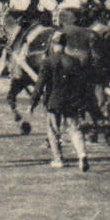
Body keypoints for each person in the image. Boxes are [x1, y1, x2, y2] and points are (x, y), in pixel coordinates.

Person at [29, 34, 98, 171]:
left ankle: (58, 159)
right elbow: (81, 84)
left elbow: (40, 84)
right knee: (74, 129)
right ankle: (82, 155)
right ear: (65, 46)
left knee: (53, 131)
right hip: (71, 102)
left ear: (54, 46)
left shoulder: (48, 61)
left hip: (53, 102)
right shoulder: (74, 61)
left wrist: (33, 102)